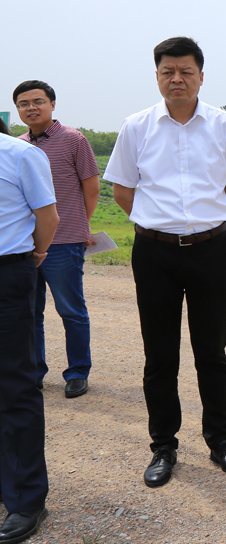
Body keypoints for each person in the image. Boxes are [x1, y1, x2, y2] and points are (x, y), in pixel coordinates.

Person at [103, 36, 226, 488]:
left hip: (210, 249)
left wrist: (199, 224)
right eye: (168, 71)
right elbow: (123, 191)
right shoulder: (136, 126)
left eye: (186, 71)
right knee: (159, 353)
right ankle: (163, 447)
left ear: (201, 76)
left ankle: (220, 440)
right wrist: (161, 225)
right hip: (154, 252)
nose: (177, 79)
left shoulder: (224, 126)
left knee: (212, 350)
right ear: (157, 76)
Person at [13, 80, 100, 400]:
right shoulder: (18, 145)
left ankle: (78, 372)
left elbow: (91, 187)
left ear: (52, 104)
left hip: (64, 241)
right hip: (24, 243)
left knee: (70, 310)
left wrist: (81, 225)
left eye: (38, 101)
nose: (31, 108)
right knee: (28, 312)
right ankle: (34, 371)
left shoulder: (73, 140)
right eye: (23, 103)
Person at [0, 126, 57, 543]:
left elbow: (48, 216)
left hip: (7, 273)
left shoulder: (19, 155)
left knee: (15, 386)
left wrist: (36, 254)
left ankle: (26, 500)